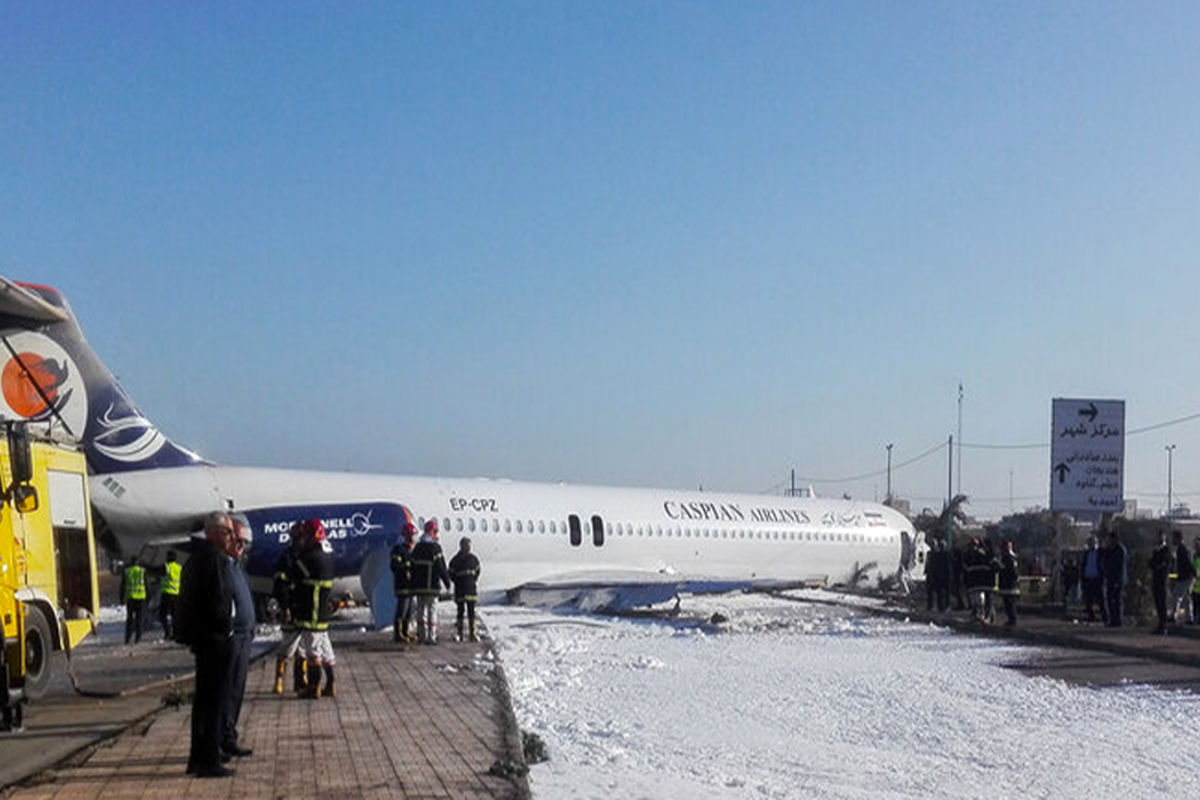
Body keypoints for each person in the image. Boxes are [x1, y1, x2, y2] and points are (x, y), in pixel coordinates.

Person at [175, 512, 237, 778]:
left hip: (205, 638)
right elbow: (217, 602)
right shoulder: (211, 560)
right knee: (213, 701)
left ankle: (199, 757)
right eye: (227, 533)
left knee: (204, 702)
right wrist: (225, 627)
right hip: (214, 639)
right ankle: (208, 760)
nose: (231, 538)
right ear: (213, 532)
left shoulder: (197, 558)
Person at [222, 515, 255, 758]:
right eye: (239, 541)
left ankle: (229, 736)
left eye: (245, 542)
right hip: (231, 639)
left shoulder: (235, 566)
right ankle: (221, 739)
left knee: (236, 691)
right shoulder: (221, 567)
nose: (242, 547)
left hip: (244, 637)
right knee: (226, 691)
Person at [293, 518, 336, 698]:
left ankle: (314, 688)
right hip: (323, 613)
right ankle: (331, 685)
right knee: (326, 651)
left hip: (310, 611)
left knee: (313, 653)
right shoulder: (328, 556)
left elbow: (295, 574)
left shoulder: (307, 558)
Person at [271, 523, 308, 694]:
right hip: (291, 606)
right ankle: (279, 680)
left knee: (303, 648)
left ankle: (301, 680)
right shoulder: (286, 558)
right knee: (288, 646)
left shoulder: (308, 555)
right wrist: (285, 607)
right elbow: (280, 585)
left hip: (305, 607)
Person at [410, 519, 451, 644]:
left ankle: (421, 635)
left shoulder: (417, 548)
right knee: (432, 611)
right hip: (432, 586)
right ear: (432, 532)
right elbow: (441, 567)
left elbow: (412, 566)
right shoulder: (435, 548)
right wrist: (447, 582)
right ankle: (431, 636)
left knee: (420, 611)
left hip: (419, 586)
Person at [448, 537, 481, 642]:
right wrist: (457, 582)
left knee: (471, 612)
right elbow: (451, 573)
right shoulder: (455, 560)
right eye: (466, 545)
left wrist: (471, 581)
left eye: (469, 545)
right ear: (461, 546)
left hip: (471, 589)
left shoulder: (473, 559)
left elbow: (477, 571)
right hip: (460, 589)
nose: (468, 547)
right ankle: (460, 633)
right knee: (460, 612)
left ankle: (472, 633)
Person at [390, 522, 418, 643]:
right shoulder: (399, 550)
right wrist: (404, 570)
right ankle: (398, 633)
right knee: (402, 610)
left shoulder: (412, 550)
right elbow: (394, 565)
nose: (413, 537)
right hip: (402, 584)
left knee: (409, 611)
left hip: (411, 585)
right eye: (411, 535)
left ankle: (406, 631)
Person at [1101, 530, 1127, 628]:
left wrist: (1118, 580)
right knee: (1109, 599)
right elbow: (1104, 560)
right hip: (1110, 578)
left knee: (1117, 600)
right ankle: (1112, 619)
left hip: (1118, 579)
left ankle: (1118, 620)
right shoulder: (1109, 550)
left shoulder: (1120, 550)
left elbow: (1120, 567)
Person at [1170, 530, 1195, 624]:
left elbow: (1186, 564)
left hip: (1185, 577)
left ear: (1178, 538)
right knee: (1186, 598)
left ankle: (1174, 616)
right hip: (1188, 576)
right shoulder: (1183, 549)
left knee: (1177, 596)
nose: (1173, 540)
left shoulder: (1181, 550)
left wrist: (1178, 577)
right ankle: (1189, 618)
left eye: (1174, 538)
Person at [1150, 530, 1172, 635]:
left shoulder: (1166, 550)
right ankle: (1159, 625)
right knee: (1158, 603)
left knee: (1162, 604)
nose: (1158, 538)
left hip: (1162, 580)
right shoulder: (1156, 550)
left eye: (1161, 537)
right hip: (1155, 580)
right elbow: (1151, 563)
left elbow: (1163, 564)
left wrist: (1156, 565)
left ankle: (1163, 626)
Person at [121, 556, 147, 644]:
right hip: (141, 598)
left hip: (130, 598)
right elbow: (146, 585)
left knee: (130, 619)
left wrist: (121, 598)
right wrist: (148, 598)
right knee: (139, 619)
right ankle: (138, 638)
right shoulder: (142, 571)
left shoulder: (127, 572)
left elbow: (123, 586)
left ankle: (127, 638)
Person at [1080, 535, 1106, 623]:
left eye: (1093, 543)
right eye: (1090, 543)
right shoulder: (1086, 554)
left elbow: (1103, 566)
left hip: (1097, 579)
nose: (1091, 544)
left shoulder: (1101, 553)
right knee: (1088, 601)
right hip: (1088, 579)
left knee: (1101, 601)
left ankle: (1105, 618)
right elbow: (1083, 566)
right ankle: (1091, 617)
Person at [158, 550, 181, 641]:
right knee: (175, 615)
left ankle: (168, 632)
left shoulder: (166, 567)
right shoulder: (179, 568)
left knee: (162, 615)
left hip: (167, 594)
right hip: (176, 594)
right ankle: (176, 633)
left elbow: (156, 571)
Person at [997, 540, 1019, 626]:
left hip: (1010, 585)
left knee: (1010, 603)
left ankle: (1012, 620)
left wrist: (1001, 568)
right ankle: (1011, 619)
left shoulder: (1010, 559)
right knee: (1007, 603)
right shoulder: (1005, 558)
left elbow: (1013, 572)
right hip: (1006, 584)